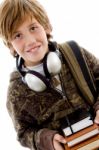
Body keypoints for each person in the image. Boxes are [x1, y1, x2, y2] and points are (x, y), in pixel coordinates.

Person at [0, 0, 99, 150]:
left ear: (46, 26)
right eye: (18, 35)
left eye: (33, 28)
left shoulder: (75, 53)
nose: (30, 41)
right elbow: (24, 132)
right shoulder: (16, 92)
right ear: (9, 44)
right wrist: (47, 139)